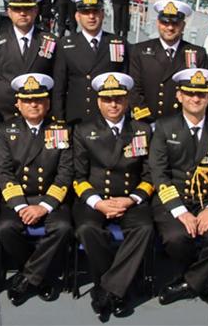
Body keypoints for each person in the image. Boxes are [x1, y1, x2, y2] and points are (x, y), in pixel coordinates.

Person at [150, 68, 208, 307]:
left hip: (207, 200)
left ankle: (189, 282)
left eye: (201, 94)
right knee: (176, 237)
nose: (195, 98)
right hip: (174, 200)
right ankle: (203, 280)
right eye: (189, 93)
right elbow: (159, 173)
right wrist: (181, 211)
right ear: (179, 96)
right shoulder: (164, 127)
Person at [72, 72, 154, 321]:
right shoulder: (84, 130)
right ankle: (118, 291)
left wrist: (132, 200)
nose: (113, 104)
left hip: (129, 198)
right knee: (87, 228)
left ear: (128, 101)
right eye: (107, 99)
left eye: (119, 98)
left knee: (144, 228)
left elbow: (150, 175)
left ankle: (105, 289)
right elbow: (77, 175)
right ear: (99, 102)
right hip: (96, 198)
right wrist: (99, 203)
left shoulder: (142, 130)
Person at [0, 73, 74, 306]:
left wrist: (44, 207)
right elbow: (4, 171)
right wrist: (21, 206)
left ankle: (26, 278)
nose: (33, 104)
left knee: (63, 227)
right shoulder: (5, 130)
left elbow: (65, 172)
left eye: (39, 99)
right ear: (17, 104)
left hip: (49, 197)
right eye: (27, 100)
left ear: (47, 103)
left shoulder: (60, 130)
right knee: (5, 228)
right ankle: (39, 278)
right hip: (19, 196)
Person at [53, 0, 129, 126]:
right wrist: (59, 119)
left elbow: (127, 80)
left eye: (95, 11)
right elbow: (59, 86)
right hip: (77, 117)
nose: (91, 16)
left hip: (109, 118)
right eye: (86, 12)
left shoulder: (118, 43)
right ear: (77, 16)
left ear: (103, 14)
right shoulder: (65, 45)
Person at [0, 0, 57, 121]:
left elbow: (56, 77)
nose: (23, 13)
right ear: (9, 12)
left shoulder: (50, 41)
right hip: (4, 113)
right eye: (17, 9)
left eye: (27, 8)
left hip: (38, 112)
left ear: (36, 11)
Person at [129, 0, 207, 123]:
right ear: (158, 23)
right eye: (165, 23)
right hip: (149, 121)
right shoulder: (140, 50)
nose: (170, 28)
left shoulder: (197, 54)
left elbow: (201, 93)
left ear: (183, 25)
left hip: (181, 124)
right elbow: (134, 88)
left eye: (175, 23)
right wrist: (145, 118)